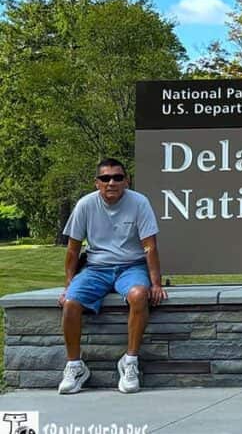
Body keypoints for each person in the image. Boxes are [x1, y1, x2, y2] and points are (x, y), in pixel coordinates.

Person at [57, 158, 167, 394]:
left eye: (117, 177)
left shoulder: (139, 203)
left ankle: (130, 362)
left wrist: (156, 283)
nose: (111, 182)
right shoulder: (85, 205)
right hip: (96, 268)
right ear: (97, 183)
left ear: (126, 181)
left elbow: (150, 246)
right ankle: (75, 367)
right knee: (71, 303)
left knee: (139, 295)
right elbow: (73, 249)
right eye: (105, 178)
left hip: (131, 266)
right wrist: (68, 285)